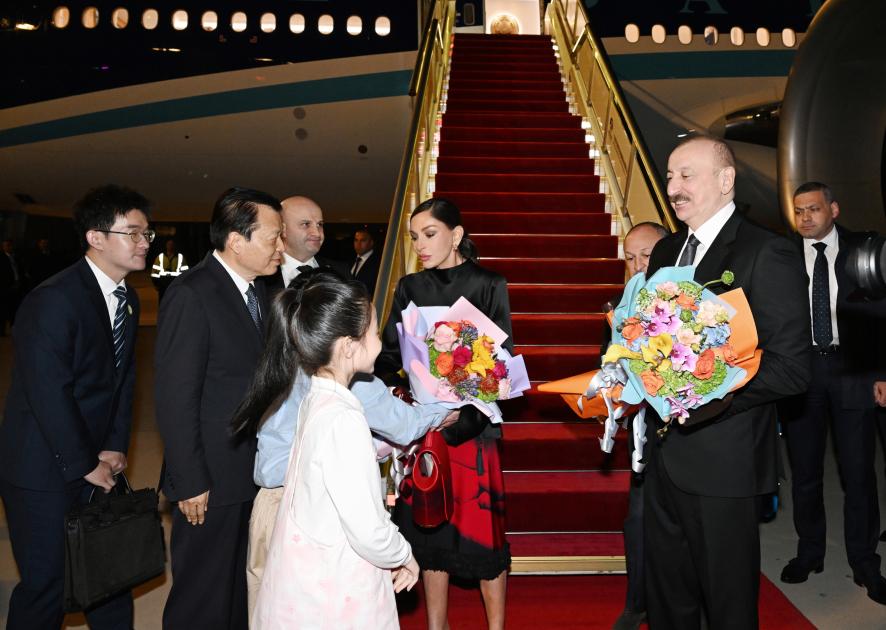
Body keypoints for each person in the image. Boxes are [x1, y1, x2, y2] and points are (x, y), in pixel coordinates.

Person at [643, 134, 811, 630]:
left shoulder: (766, 250)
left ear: (725, 179)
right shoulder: (666, 251)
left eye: (686, 175)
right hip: (662, 458)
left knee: (728, 605)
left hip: (725, 460)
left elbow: (791, 367)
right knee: (668, 599)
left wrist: (706, 395)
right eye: (669, 176)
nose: (673, 187)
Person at [235, 270, 458, 617]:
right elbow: (366, 526)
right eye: (374, 333)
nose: (380, 342)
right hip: (320, 533)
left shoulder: (312, 385)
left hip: (279, 512)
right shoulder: (345, 414)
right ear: (348, 346)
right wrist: (403, 554)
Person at [0, 184, 152, 629]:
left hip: (96, 459)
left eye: (146, 233)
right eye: (133, 233)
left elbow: (123, 381)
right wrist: (86, 462)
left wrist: (115, 445)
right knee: (47, 587)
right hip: (42, 468)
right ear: (96, 237)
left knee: (110, 579)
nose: (144, 242)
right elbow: (48, 392)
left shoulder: (126, 298)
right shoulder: (54, 299)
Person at [375, 198, 511, 630]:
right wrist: (407, 397)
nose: (420, 244)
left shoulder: (489, 283)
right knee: (431, 533)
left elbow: (502, 364)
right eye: (415, 237)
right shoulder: (409, 287)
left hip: (473, 428)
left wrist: (462, 415)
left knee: (483, 536)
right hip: (424, 430)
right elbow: (387, 357)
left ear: (456, 235)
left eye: (429, 234)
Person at [154, 187, 284, 630]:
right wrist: (190, 480)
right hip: (208, 480)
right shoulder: (192, 293)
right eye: (273, 237)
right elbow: (175, 397)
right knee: (201, 598)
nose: (280, 247)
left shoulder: (257, 291)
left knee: (237, 594)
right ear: (235, 240)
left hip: (249, 470)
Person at [778, 181, 886, 604]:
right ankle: (810, 553)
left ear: (834, 209)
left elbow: (881, 311)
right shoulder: (784, 255)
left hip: (853, 368)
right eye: (799, 211)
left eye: (814, 209)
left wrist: (881, 372)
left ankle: (865, 562)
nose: (806, 218)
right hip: (802, 371)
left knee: (858, 472)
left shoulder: (863, 249)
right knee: (805, 472)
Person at [612, 221, 667, 630]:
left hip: (685, 429)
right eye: (630, 258)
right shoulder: (625, 301)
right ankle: (637, 602)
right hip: (643, 431)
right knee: (639, 520)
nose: (637, 265)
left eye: (646, 256)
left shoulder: (688, 299)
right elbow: (610, 358)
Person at [264, 196, 347, 294]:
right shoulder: (262, 275)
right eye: (306, 224)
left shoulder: (341, 271)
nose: (317, 233)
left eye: (319, 224)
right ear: (283, 229)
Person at [0, 238, 21, 335]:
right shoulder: (1, 258)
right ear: (3, 247)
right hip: (6, 287)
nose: (9, 247)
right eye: (6, 245)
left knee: (14, 309)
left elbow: (18, 270)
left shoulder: (15, 257)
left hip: (16, 285)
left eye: (10, 245)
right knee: (4, 309)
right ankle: (2, 330)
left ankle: (13, 329)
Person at [351, 228, 380, 296]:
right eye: (356, 240)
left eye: (363, 240)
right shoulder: (349, 260)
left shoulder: (379, 263)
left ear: (371, 243)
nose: (358, 244)